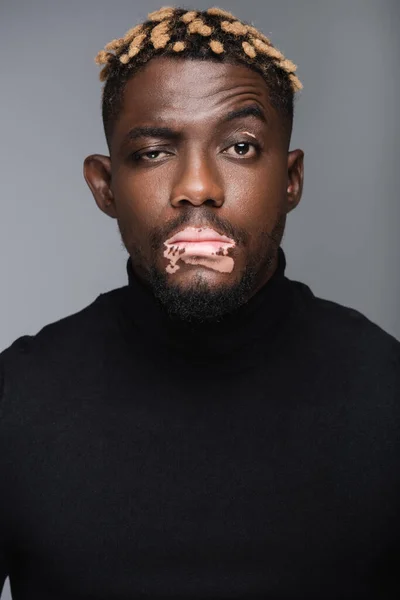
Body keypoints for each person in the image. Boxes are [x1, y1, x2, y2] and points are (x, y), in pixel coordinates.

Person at [0, 6, 399, 599]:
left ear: (290, 181)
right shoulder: (15, 402)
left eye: (240, 146)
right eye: (154, 152)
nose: (197, 187)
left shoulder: (387, 391)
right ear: (105, 187)